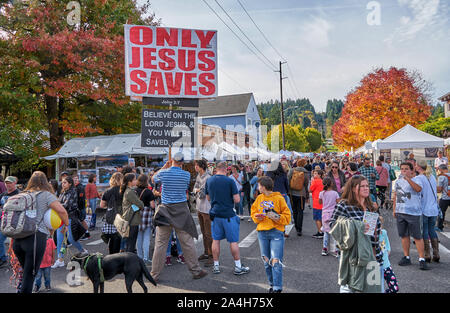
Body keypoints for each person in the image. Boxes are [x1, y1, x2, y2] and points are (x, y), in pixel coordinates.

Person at [150, 152, 207, 282]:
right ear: (182, 163)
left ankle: (154, 274)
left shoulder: (164, 173)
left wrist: (165, 166)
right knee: (187, 243)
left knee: (160, 244)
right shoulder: (186, 175)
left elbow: (153, 179)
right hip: (181, 210)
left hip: (165, 210)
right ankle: (195, 270)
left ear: (172, 160)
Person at [12, 171, 69, 293]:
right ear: (45, 182)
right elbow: (62, 211)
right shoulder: (46, 195)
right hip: (35, 238)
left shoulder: (22, 194)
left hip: (17, 239)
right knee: (30, 274)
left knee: (25, 271)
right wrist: (66, 224)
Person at [329, 175, 384, 293]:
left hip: (373, 254)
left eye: (367, 186)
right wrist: (357, 226)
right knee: (350, 287)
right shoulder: (344, 205)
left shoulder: (370, 206)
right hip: (353, 256)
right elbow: (333, 225)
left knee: (372, 288)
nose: (366, 188)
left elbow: (376, 232)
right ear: (353, 188)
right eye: (362, 186)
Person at [206, 161, 249, 276]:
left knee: (216, 240)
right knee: (233, 241)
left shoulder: (209, 180)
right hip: (228, 214)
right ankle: (238, 266)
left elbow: (208, 197)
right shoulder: (229, 180)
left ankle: (216, 266)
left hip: (215, 214)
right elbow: (237, 200)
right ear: (226, 170)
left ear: (216, 169)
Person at [251, 176, 291, 293]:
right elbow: (253, 213)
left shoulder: (279, 198)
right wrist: (257, 217)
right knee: (266, 261)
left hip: (276, 233)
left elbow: (287, 217)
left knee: (276, 261)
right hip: (262, 233)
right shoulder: (259, 198)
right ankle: (272, 285)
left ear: (263, 187)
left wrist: (276, 217)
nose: (258, 188)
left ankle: (277, 288)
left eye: (259, 185)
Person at [393, 162, 429, 270]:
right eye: (402, 169)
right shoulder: (398, 181)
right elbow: (396, 195)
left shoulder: (417, 179)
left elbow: (418, 189)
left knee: (417, 236)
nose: (404, 171)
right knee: (404, 235)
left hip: (413, 212)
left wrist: (408, 179)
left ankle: (421, 259)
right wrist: (394, 209)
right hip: (401, 211)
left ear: (411, 170)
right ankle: (406, 256)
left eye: (406, 169)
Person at [53, 176, 88, 268]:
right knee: (60, 240)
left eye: (65, 182)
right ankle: (60, 259)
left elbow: (66, 205)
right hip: (61, 218)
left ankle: (82, 250)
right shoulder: (62, 192)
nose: (62, 184)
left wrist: (55, 205)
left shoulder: (73, 192)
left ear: (70, 183)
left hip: (70, 218)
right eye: (62, 182)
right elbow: (60, 204)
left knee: (71, 239)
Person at [415, 160, 440, 263]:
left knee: (424, 231)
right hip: (433, 208)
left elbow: (417, 192)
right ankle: (436, 253)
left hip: (424, 208)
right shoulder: (432, 177)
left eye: (416, 166)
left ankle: (427, 254)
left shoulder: (419, 178)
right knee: (432, 230)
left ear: (419, 167)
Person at [193, 159, 213, 266]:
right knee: (203, 232)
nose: (195, 167)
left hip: (207, 209)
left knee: (208, 233)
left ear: (202, 166)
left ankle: (212, 256)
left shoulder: (208, 177)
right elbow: (195, 189)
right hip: (199, 207)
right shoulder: (198, 176)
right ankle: (206, 252)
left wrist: (197, 190)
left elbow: (202, 193)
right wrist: (197, 190)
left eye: (197, 166)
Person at [99, 172, 123, 254]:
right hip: (121, 217)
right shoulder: (123, 190)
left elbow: (102, 205)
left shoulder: (107, 191)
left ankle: (112, 255)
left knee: (112, 238)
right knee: (119, 237)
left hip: (110, 217)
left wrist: (109, 207)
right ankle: (118, 254)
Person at [121, 173, 144, 254]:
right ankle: (129, 262)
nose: (136, 181)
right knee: (131, 243)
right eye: (134, 179)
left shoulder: (128, 191)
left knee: (130, 243)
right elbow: (140, 204)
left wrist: (137, 205)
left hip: (130, 219)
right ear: (130, 182)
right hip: (132, 220)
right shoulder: (130, 192)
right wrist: (138, 205)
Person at [135, 174, 156, 265]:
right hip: (146, 214)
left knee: (138, 238)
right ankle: (146, 258)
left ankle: (139, 257)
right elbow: (152, 205)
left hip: (137, 214)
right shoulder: (148, 191)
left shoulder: (134, 191)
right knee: (146, 237)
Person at [0, 176, 20, 267]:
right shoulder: (3, 194)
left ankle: (17, 259)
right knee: (0, 240)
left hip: (15, 222)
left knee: (16, 242)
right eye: (6, 183)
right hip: (3, 222)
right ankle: (3, 258)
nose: (8, 185)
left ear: (14, 183)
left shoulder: (19, 194)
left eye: (10, 183)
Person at [267, 162, 292, 233]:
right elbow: (287, 185)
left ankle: (273, 227)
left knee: (271, 211)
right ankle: (282, 229)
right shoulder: (283, 174)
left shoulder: (269, 175)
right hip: (282, 194)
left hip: (272, 195)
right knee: (282, 212)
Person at [288, 159, 309, 236]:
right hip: (301, 193)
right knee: (300, 211)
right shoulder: (305, 172)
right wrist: (307, 194)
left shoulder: (292, 170)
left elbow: (288, 180)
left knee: (294, 210)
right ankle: (299, 229)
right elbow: (306, 184)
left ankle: (296, 226)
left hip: (292, 193)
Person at [319, 177, 340, 257]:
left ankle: (324, 248)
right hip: (333, 213)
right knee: (334, 232)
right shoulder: (335, 193)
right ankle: (335, 250)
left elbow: (320, 202)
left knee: (326, 232)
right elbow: (338, 202)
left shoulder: (321, 193)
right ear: (331, 184)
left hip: (324, 213)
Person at [378, 217, 399, 293]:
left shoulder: (383, 233)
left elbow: (387, 242)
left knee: (394, 288)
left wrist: (388, 249)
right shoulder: (371, 236)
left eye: (380, 225)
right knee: (376, 289)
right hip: (375, 266)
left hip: (386, 265)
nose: (378, 227)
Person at [73, 175, 90, 241]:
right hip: (77, 207)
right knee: (79, 221)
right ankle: (82, 233)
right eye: (74, 179)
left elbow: (80, 198)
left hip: (80, 207)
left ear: (78, 180)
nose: (75, 180)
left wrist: (78, 207)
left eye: (76, 178)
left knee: (82, 220)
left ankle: (87, 234)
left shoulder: (80, 187)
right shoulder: (74, 187)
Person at [310, 169, 324, 239]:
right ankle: (322, 231)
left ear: (319, 175)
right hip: (323, 201)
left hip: (316, 201)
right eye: (314, 173)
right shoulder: (323, 181)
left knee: (317, 218)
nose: (314, 175)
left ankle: (320, 232)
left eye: (315, 174)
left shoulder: (315, 181)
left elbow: (310, 189)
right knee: (321, 218)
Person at [437, 164, 450, 232]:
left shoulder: (441, 177)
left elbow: (439, 189)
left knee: (441, 212)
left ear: (441, 169)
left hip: (445, 198)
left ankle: (440, 227)